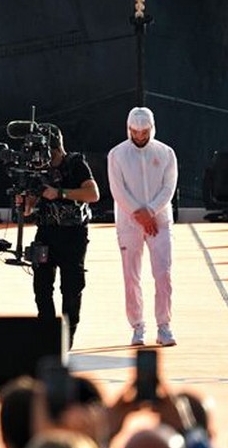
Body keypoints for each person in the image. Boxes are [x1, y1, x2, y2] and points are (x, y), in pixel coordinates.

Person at [22, 124, 99, 349]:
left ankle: (67, 335)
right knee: (42, 286)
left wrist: (60, 193)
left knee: (71, 288)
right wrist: (25, 202)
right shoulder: (38, 168)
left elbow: (93, 194)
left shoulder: (75, 164)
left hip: (73, 234)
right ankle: (47, 333)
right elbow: (29, 207)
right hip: (46, 232)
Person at [107, 106, 178, 347]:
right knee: (131, 276)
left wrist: (152, 212)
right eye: (135, 132)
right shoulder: (116, 155)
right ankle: (137, 326)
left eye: (144, 132)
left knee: (163, 274)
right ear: (128, 129)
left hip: (160, 222)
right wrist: (140, 215)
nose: (139, 136)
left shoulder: (166, 153)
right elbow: (118, 190)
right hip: (129, 222)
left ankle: (164, 326)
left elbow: (169, 188)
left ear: (152, 129)